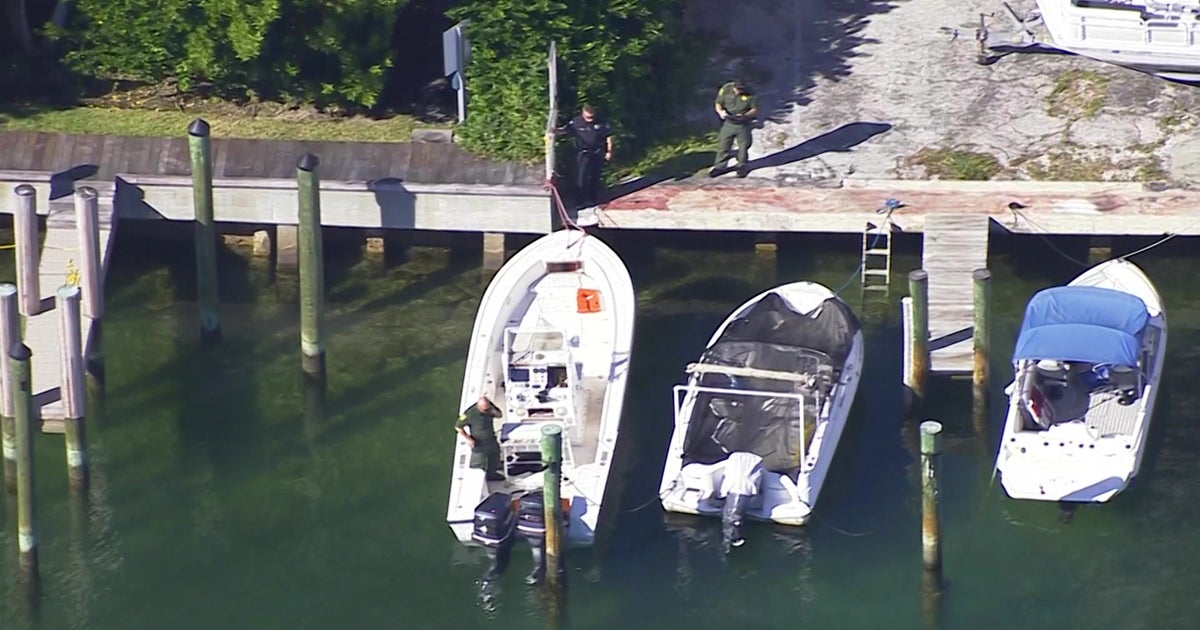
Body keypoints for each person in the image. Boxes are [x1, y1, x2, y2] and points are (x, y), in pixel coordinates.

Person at [558, 104, 614, 209]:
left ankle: (594, 198)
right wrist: (555, 131)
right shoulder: (576, 121)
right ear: (583, 114)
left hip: (598, 152)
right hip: (583, 153)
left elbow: (609, 137)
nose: (590, 120)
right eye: (588, 117)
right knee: (581, 177)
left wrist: (609, 151)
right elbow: (565, 130)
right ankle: (581, 200)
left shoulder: (601, 122)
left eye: (592, 117)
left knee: (595, 176)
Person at [710, 79, 759, 178]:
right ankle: (720, 166)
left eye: (741, 89)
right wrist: (721, 112)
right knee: (724, 144)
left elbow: (755, 109)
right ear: (734, 87)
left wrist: (745, 115)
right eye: (738, 89)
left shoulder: (751, 93)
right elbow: (718, 103)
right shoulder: (726, 89)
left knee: (743, 146)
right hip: (729, 122)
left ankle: (742, 166)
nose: (739, 91)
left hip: (743, 123)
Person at [456, 395, 505, 481]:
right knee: (478, 462)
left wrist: (492, 410)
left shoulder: (490, 408)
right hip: (478, 441)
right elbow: (458, 427)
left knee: (495, 455)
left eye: (487, 408)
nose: (486, 411)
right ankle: (478, 478)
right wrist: (469, 439)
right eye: (484, 409)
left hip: (490, 438)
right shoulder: (470, 413)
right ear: (479, 406)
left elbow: (499, 415)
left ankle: (492, 474)